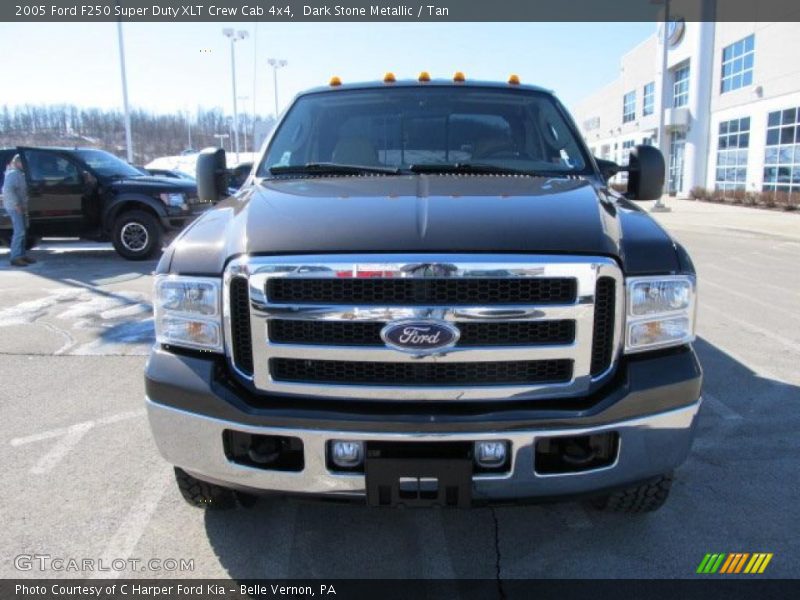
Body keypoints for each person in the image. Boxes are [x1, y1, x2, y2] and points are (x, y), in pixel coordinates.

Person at [2, 154, 36, 267]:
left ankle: (21, 255)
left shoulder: (20, 174)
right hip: (14, 207)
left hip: (21, 207)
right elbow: (8, 190)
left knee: (23, 232)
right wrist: (16, 204)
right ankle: (15, 257)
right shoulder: (13, 174)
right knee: (19, 231)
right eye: (22, 162)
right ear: (17, 163)